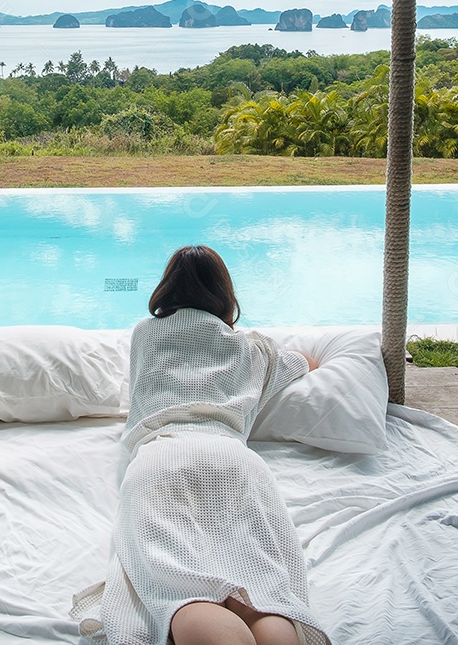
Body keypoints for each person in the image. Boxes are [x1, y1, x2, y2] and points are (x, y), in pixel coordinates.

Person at [99, 245, 330, 645]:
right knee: (264, 593)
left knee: (184, 587)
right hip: (232, 461)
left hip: (162, 455)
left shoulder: (144, 334)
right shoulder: (252, 349)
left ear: (165, 288)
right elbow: (306, 362)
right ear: (225, 293)